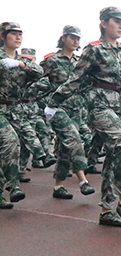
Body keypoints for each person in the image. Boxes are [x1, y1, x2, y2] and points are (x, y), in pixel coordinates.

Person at [47, 7, 121, 227]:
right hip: (99, 105)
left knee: (116, 155)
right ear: (104, 23)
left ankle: (106, 210)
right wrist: (54, 102)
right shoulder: (94, 50)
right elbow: (76, 78)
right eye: (116, 21)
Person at [40, 25, 98, 199]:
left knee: (65, 149)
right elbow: (37, 79)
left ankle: (58, 186)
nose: (75, 41)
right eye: (72, 37)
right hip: (59, 108)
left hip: (76, 109)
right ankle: (83, 180)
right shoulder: (51, 60)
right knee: (74, 140)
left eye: (78, 39)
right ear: (64, 38)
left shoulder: (79, 62)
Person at [0, 22, 35, 208]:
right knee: (11, 141)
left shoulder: (23, 60)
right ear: (3, 36)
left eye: (20, 34)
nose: (18, 37)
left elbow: (39, 72)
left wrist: (20, 64)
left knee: (8, 149)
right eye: (13, 34)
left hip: (15, 111)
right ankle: (13, 186)